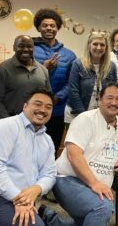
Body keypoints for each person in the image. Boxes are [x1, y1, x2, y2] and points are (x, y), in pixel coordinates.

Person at [0, 88, 57, 226]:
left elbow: (50, 174)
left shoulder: (47, 140)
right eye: (37, 104)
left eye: (48, 107)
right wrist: (18, 198)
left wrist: (37, 188)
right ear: (25, 106)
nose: (43, 110)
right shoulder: (4, 127)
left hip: (24, 198)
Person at [43, 84, 118, 226]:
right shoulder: (85, 119)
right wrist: (94, 183)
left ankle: (50, 220)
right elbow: (74, 155)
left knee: (86, 222)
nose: (114, 102)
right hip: (67, 179)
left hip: (95, 183)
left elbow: (108, 145)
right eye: (110, 98)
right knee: (102, 208)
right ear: (99, 99)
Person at [33, 8, 77, 155]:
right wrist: (44, 69)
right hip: (34, 109)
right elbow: (24, 78)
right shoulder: (29, 50)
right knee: (30, 150)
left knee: (51, 150)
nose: (48, 28)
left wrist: (57, 97)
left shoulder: (69, 55)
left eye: (52, 25)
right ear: (39, 27)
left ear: (57, 28)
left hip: (57, 110)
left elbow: (71, 82)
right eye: (44, 25)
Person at [0, 35, 51, 120]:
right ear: (14, 48)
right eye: (21, 46)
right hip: (9, 123)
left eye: (29, 46)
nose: (25, 49)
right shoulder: (2, 70)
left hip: (35, 124)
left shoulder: (43, 70)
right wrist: (8, 123)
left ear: (33, 48)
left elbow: (47, 98)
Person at [66, 31, 117, 122]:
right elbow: (73, 92)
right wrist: (83, 116)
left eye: (102, 45)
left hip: (100, 114)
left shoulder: (111, 66)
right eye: (95, 44)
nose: (98, 47)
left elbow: (113, 92)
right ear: (89, 45)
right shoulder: (78, 64)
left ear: (106, 48)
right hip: (77, 113)